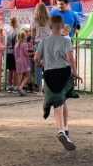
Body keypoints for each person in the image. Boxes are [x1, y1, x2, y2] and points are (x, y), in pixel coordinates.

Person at [35, 14, 83, 151]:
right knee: (61, 101)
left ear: (50, 27)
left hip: (49, 73)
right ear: (62, 27)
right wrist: (75, 72)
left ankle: (65, 130)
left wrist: (41, 63)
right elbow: (70, 58)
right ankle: (62, 131)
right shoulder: (66, 41)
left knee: (59, 102)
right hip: (63, 72)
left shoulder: (44, 41)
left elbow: (37, 57)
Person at [32, 3, 52, 90]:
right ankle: (47, 87)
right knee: (47, 65)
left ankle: (39, 88)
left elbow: (33, 33)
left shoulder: (34, 20)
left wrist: (33, 43)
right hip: (48, 42)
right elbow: (51, 29)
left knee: (38, 66)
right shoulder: (49, 19)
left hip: (38, 42)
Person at [13, 29, 32, 97]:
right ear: (25, 36)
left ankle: (18, 86)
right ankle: (20, 87)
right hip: (24, 61)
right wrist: (32, 53)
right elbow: (26, 54)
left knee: (20, 75)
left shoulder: (16, 45)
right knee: (27, 76)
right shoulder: (25, 44)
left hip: (18, 62)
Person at [5, 15, 19, 92]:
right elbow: (16, 44)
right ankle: (15, 86)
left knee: (9, 70)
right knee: (15, 71)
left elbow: (7, 43)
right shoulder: (16, 32)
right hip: (14, 53)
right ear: (15, 23)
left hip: (8, 52)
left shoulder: (8, 32)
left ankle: (10, 86)